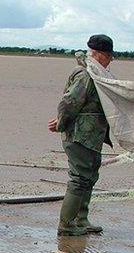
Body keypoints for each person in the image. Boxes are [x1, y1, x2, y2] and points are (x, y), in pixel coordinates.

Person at [47, 34, 116, 236]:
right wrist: (61, 123)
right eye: (109, 56)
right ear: (99, 55)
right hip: (79, 136)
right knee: (79, 179)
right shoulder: (85, 75)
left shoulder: (96, 73)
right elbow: (69, 103)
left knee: (90, 177)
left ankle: (81, 220)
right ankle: (67, 225)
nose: (111, 60)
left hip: (92, 136)